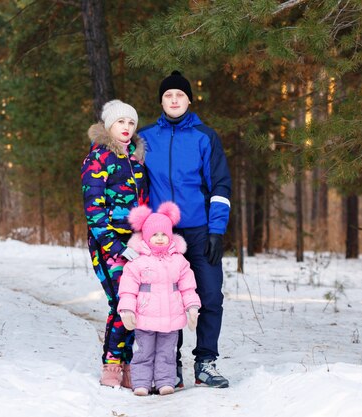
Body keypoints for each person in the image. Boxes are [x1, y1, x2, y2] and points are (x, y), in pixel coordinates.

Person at [138, 70, 232, 388]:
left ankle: (205, 361)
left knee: (210, 296)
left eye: (180, 95)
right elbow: (135, 184)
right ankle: (171, 364)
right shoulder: (147, 138)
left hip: (200, 231)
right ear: (161, 100)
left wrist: (216, 231)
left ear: (189, 100)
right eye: (168, 95)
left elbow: (220, 185)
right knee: (167, 298)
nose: (174, 99)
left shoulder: (205, 137)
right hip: (162, 237)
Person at [81, 99, 148, 388]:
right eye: (121, 122)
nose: (127, 128)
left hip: (137, 241)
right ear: (109, 124)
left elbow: (145, 203)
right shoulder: (97, 159)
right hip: (107, 243)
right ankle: (112, 363)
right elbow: (93, 210)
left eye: (131, 123)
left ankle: (129, 363)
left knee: (137, 303)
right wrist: (115, 247)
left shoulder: (136, 159)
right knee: (121, 302)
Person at [118, 202, 201, 396]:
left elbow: (188, 287)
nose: (160, 238)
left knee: (166, 353)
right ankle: (141, 383)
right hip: (145, 316)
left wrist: (192, 307)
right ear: (146, 236)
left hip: (171, 317)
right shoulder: (137, 261)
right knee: (144, 352)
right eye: (155, 234)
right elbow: (128, 289)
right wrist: (127, 310)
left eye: (164, 234)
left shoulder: (179, 260)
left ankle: (165, 382)